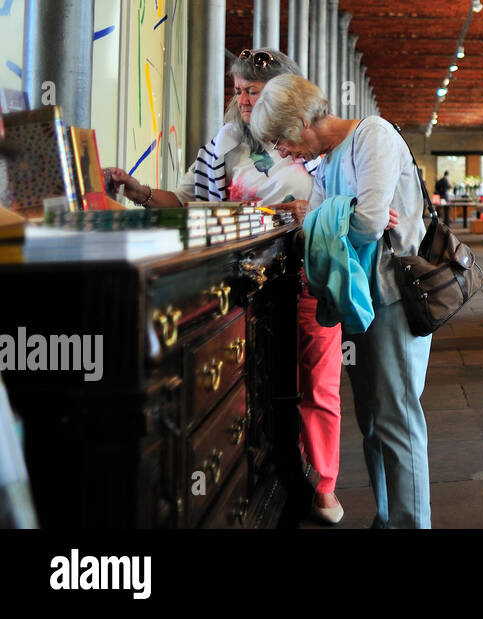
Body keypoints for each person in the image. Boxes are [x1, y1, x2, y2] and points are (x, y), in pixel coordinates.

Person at [106, 48, 344, 526]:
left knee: (317, 379)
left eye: (254, 91)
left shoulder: (318, 139)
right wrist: (142, 192)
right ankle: (268, 467)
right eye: (238, 91)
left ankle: (322, 482)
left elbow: (346, 200)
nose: (244, 101)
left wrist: (313, 215)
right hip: (244, 281)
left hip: (308, 270)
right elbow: (193, 200)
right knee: (258, 382)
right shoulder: (223, 145)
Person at [250, 73, 432, 529]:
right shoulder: (331, 159)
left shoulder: (374, 135)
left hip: (392, 296)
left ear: (301, 121)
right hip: (361, 300)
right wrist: (337, 214)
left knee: (398, 418)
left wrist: (333, 215)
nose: (283, 153)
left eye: (280, 139)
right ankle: (389, 517)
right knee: (371, 420)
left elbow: (367, 224)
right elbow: (339, 222)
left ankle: (411, 524)